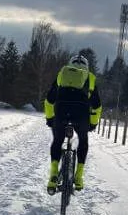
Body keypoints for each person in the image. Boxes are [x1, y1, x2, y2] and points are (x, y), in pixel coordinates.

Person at [43, 55, 102, 194]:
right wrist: (93, 123)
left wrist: (50, 118)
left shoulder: (61, 74)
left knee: (58, 140)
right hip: (81, 115)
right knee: (83, 141)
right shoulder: (90, 78)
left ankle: (53, 174)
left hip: (61, 112)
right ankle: (79, 176)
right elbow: (97, 106)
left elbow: (49, 101)